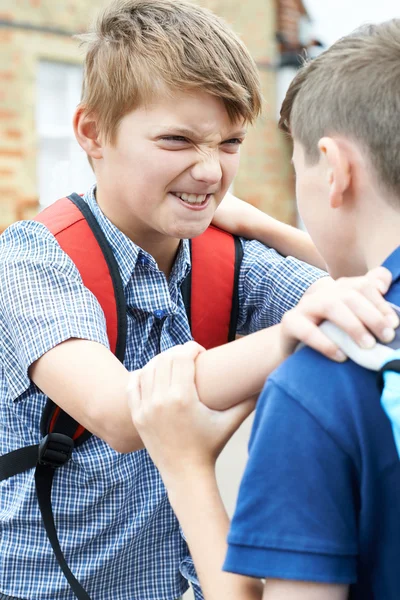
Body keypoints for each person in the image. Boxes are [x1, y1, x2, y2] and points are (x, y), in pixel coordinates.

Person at [0, 1, 397, 599]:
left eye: (231, 142)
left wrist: (272, 230)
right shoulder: (32, 261)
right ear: (92, 134)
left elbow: (375, 296)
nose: (210, 170)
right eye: (177, 140)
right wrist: (288, 331)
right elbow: (121, 413)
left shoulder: (227, 257)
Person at [128, 19, 400, 600]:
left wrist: (187, 466)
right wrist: (263, 225)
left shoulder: (321, 378)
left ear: (334, 168)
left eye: (232, 144)